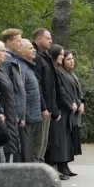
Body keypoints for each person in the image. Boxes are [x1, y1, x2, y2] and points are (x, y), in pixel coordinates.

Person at [0, 30, 31, 163]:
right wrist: (15, 114)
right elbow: (6, 90)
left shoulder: (13, 60)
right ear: (9, 42)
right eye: (18, 41)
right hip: (10, 113)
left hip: (16, 113)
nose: (20, 43)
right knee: (10, 149)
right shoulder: (5, 61)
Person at [45, 45, 74, 180]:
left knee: (59, 140)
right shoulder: (54, 70)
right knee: (54, 141)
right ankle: (54, 168)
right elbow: (59, 91)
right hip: (56, 109)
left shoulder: (57, 70)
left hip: (60, 108)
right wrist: (68, 104)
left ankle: (60, 167)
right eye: (61, 55)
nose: (62, 57)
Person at [31, 29, 58, 162]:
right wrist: (43, 107)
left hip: (48, 106)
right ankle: (35, 168)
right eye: (48, 38)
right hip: (42, 107)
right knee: (38, 142)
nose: (51, 41)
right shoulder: (36, 56)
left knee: (43, 142)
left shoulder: (45, 56)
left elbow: (50, 84)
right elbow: (38, 85)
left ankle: (40, 165)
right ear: (39, 38)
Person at [62, 51, 84, 174]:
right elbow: (68, 93)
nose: (72, 61)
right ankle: (62, 165)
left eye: (72, 58)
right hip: (70, 109)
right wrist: (76, 103)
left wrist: (82, 102)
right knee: (67, 138)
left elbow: (78, 91)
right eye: (68, 59)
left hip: (76, 109)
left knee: (72, 138)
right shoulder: (63, 74)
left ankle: (66, 164)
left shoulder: (72, 74)